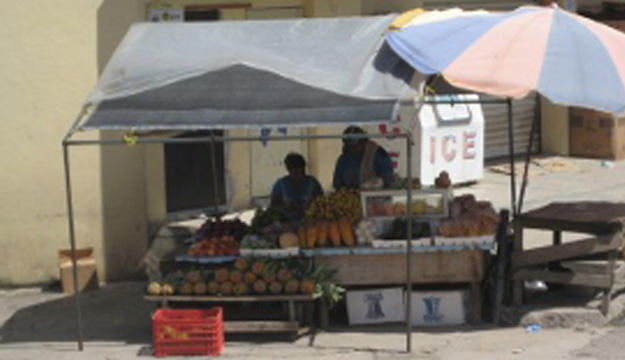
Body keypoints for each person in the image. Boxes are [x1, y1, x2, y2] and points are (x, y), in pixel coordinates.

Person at [333, 126, 394, 190]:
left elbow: (388, 181)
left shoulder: (379, 156)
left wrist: (375, 184)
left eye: (355, 146)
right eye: (349, 146)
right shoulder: (344, 159)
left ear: (363, 142)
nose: (352, 150)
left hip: (375, 197)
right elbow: (337, 184)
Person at [271, 152, 323, 221]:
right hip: (287, 224)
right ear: (288, 170)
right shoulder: (281, 185)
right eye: (294, 172)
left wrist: (311, 206)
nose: (297, 175)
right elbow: (273, 206)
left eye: (300, 171)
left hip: (310, 223)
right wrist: (285, 207)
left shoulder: (312, 183)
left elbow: (322, 203)